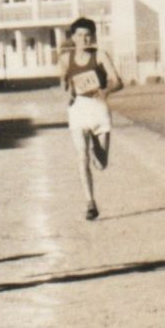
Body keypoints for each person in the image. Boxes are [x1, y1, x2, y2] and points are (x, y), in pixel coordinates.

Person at [56, 17, 124, 221]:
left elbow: (118, 82)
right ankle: (90, 203)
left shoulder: (100, 55)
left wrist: (105, 91)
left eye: (87, 35)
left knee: (101, 164)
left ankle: (96, 143)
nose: (83, 39)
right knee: (81, 157)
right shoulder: (65, 59)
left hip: (98, 108)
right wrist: (68, 93)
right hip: (78, 109)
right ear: (72, 37)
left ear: (93, 37)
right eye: (79, 35)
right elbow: (64, 84)